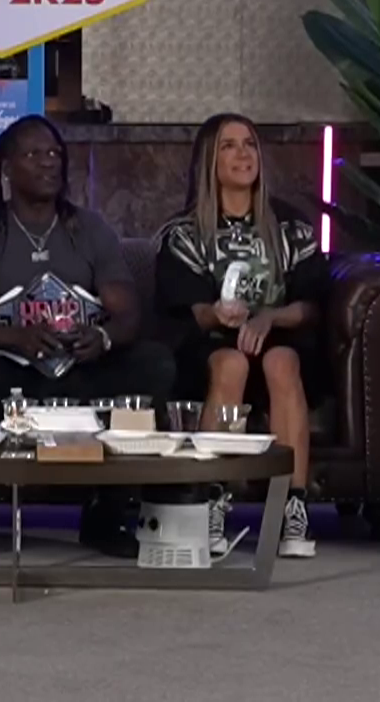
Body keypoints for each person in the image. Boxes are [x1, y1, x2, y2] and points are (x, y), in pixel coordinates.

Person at [0, 115, 176, 559]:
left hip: (82, 370)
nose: (48, 162)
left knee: (153, 362)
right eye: (33, 154)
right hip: (12, 376)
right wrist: (16, 338)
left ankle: (107, 515)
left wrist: (102, 337)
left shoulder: (91, 230)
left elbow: (127, 312)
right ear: (7, 168)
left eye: (54, 154)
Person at [155, 114, 327, 558]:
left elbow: (312, 303)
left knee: (282, 361)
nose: (243, 154)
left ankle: (292, 507)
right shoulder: (185, 232)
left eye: (249, 144)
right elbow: (187, 311)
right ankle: (213, 500)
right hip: (212, 348)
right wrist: (217, 313)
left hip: (281, 340)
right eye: (229, 146)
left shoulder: (290, 226)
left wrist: (270, 317)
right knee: (230, 363)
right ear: (208, 160)